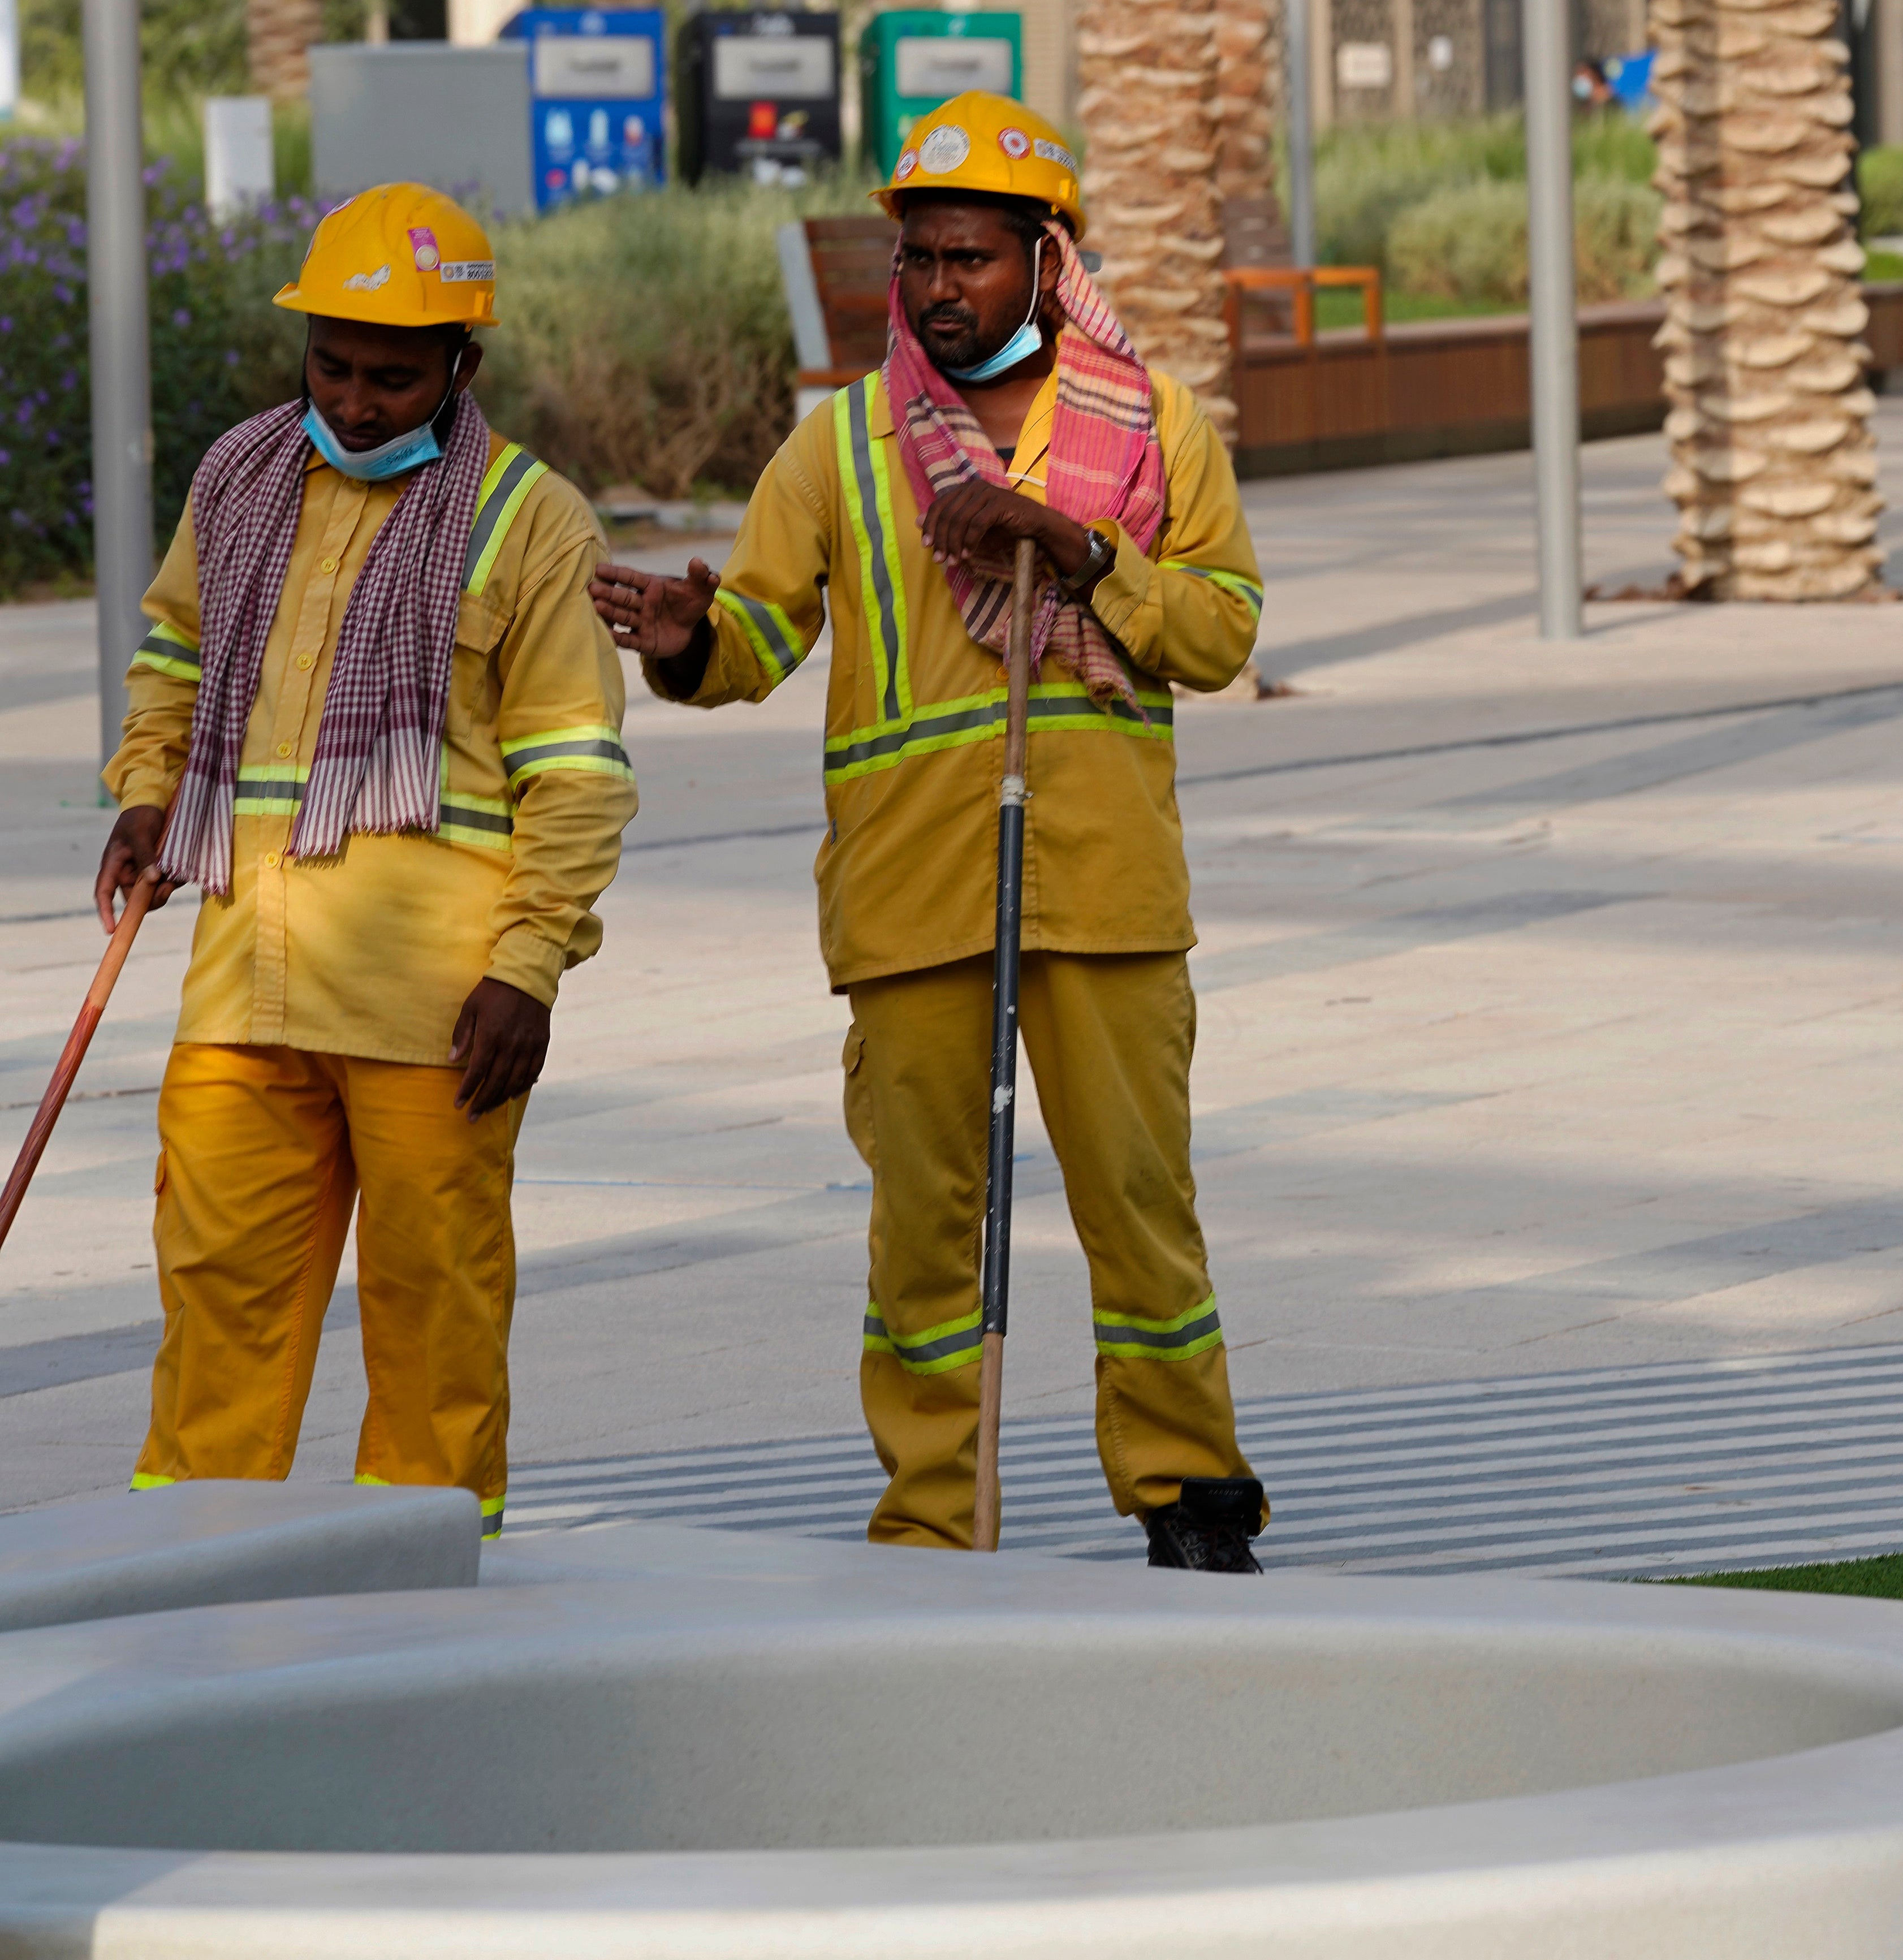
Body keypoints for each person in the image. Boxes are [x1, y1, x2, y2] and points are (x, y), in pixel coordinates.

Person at [585, 94, 1272, 1570]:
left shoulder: (1155, 436)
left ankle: (1189, 1492)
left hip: (1104, 892)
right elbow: (755, 636)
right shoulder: (838, 449)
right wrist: (684, 639)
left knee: (1143, 1212)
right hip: (911, 902)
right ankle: (931, 1521)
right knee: (923, 1244)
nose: (942, 286)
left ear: (1044, 257)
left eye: (970, 257)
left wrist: (1085, 553)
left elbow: (1222, 634)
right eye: (921, 260)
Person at [96, 184, 637, 1535]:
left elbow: (573, 772)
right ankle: (194, 1570)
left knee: (433, 1310)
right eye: (331, 365)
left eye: (393, 376)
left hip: (435, 1009)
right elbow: (173, 650)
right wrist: (148, 789)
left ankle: (426, 1600)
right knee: (216, 1291)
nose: (354, 399)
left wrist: (530, 968)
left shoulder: (532, 518)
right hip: (243, 979)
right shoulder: (236, 476)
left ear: (467, 365)